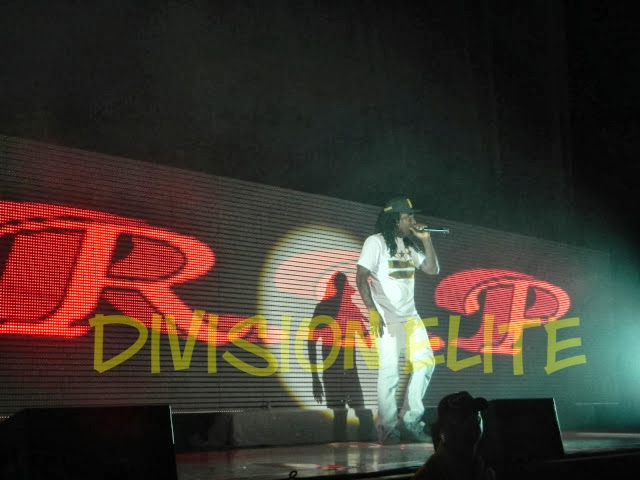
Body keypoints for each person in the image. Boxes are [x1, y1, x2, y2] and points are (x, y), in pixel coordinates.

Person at [356, 197, 439, 444]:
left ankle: (411, 419)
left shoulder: (409, 245)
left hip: (411, 316)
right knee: (390, 371)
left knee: (426, 363)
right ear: (395, 219)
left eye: (413, 216)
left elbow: (432, 269)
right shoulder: (375, 242)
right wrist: (372, 310)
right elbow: (361, 276)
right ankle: (388, 427)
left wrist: (427, 240)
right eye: (408, 216)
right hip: (386, 316)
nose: (413, 220)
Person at [306, 272, 375, 441]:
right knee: (342, 415)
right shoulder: (324, 308)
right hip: (333, 370)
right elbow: (311, 342)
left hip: (346, 370)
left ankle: (362, 448)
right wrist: (315, 378)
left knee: (356, 414)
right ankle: (344, 452)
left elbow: (368, 341)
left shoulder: (349, 309)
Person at [413, 391, 495, 480]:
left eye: (476, 415)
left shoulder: (483, 468)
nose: (473, 421)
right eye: (463, 417)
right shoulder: (430, 474)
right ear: (444, 428)